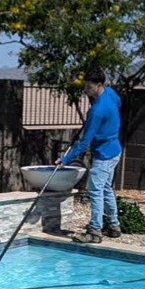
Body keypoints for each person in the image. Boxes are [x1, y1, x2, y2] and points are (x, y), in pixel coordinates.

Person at [57, 70, 122, 243]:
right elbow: (119, 103)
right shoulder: (110, 93)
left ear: (99, 85)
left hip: (103, 155)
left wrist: (65, 159)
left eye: (89, 86)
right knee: (106, 188)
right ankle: (113, 226)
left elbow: (85, 141)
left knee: (95, 191)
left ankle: (94, 231)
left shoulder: (97, 111)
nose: (85, 90)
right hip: (115, 150)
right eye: (85, 86)